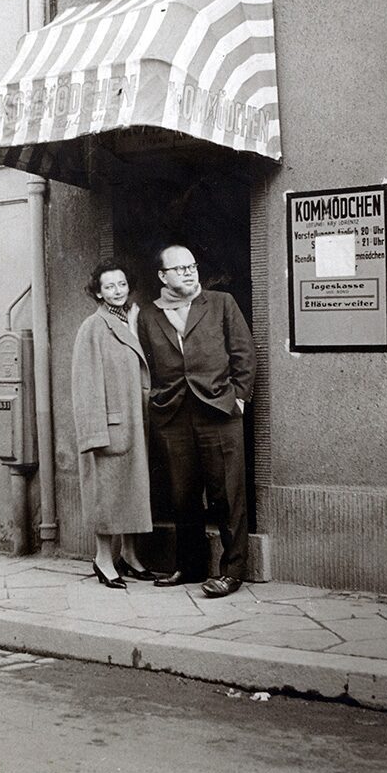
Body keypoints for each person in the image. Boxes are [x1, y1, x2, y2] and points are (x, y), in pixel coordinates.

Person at [138, 244, 256, 598]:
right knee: (182, 493)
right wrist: (155, 400)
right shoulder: (149, 315)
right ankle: (189, 566)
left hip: (218, 410)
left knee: (227, 495)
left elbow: (244, 352)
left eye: (192, 266)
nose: (189, 273)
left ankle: (232, 571)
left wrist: (237, 397)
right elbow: (146, 362)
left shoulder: (221, 303)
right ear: (163, 276)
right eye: (179, 268)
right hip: (172, 414)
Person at [71, 261, 156, 589]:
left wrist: (133, 328)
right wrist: (94, 433)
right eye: (109, 287)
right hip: (109, 427)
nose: (117, 291)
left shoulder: (127, 320)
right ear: (97, 291)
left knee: (132, 494)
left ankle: (131, 556)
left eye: (121, 285)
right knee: (107, 497)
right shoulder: (93, 326)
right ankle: (103, 559)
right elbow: (85, 384)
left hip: (134, 424)